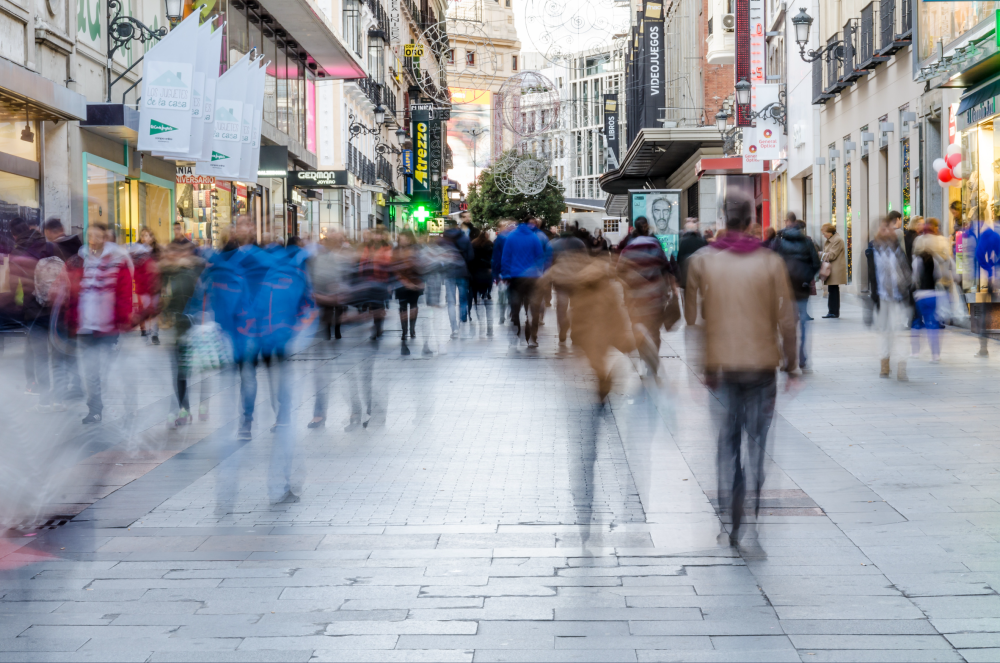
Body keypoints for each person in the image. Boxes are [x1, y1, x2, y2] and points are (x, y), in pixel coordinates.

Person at [683, 193, 798, 547]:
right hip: (762, 365)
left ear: (721, 220)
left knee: (727, 443)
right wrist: (792, 365)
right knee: (758, 441)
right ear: (751, 221)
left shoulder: (701, 261)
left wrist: (698, 367)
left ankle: (732, 518)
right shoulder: (770, 261)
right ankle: (754, 512)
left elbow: (693, 320)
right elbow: (787, 319)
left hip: (722, 366)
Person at [63, 219, 135, 424]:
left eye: (97, 236)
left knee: (108, 370)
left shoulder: (117, 260)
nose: (93, 240)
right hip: (85, 326)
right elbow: (72, 291)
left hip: (108, 327)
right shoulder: (79, 260)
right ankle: (95, 409)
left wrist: (124, 319)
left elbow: (124, 294)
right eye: (90, 236)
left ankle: (127, 403)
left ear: (105, 238)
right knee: (91, 372)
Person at [617, 217, 678, 376]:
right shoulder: (655, 245)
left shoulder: (628, 249)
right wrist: (673, 289)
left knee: (638, 327)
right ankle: (653, 364)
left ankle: (645, 359)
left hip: (635, 298)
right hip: (656, 296)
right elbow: (667, 267)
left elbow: (619, 271)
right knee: (654, 330)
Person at [9, 218, 57, 399]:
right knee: (57, 350)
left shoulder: (17, 252)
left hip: (33, 307)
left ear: (14, 235)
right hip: (54, 304)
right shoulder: (48, 246)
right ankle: (59, 389)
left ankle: (35, 386)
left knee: (34, 350)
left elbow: (15, 286)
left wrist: (16, 305)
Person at [159, 238, 205, 426]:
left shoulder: (187, 273)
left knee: (182, 372)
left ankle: (184, 410)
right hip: (175, 329)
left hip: (187, 328)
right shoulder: (168, 274)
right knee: (180, 372)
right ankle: (183, 408)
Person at [869, 216, 912, 379]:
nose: (886, 230)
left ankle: (902, 366)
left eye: (888, 228)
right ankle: (884, 364)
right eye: (882, 228)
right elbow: (869, 277)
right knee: (884, 332)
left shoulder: (898, 249)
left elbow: (908, 273)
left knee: (900, 332)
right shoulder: (871, 251)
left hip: (899, 297)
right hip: (882, 298)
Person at [911, 218, 953, 362]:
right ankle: (936, 354)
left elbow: (914, 276)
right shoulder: (936, 256)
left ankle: (915, 351)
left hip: (920, 294)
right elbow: (940, 275)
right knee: (933, 323)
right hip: (934, 293)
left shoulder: (917, 258)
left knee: (916, 321)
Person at [501, 217, 545, 348]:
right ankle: (532, 337)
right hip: (532, 278)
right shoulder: (534, 237)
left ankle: (515, 334)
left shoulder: (511, 237)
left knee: (515, 307)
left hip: (515, 278)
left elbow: (506, 257)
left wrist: (505, 274)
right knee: (533, 308)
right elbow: (540, 257)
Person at [549, 228, 587, 344]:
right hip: (576, 281)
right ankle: (576, 332)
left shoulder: (553, 244)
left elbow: (549, 262)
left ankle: (563, 328)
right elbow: (585, 261)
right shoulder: (579, 243)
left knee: (561, 307)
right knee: (577, 307)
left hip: (560, 281)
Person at [440, 219, 474, 338]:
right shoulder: (464, 238)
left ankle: (454, 328)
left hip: (449, 273)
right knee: (463, 298)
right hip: (462, 271)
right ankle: (463, 317)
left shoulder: (443, 240)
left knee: (451, 301)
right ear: (457, 226)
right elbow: (471, 257)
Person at [393, 230, 425, 354]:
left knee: (413, 305)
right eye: (401, 238)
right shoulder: (396, 250)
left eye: (405, 238)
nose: (403, 240)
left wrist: (419, 281)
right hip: (401, 283)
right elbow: (394, 266)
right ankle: (404, 330)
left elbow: (421, 265)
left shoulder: (416, 249)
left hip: (414, 283)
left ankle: (412, 328)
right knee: (402, 307)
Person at [133, 227, 162, 345]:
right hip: (143, 286)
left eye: (147, 235)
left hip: (155, 285)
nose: (145, 238)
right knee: (144, 309)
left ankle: (154, 332)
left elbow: (162, 267)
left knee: (154, 310)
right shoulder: (137, 252)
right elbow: (135, 270)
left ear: (152, 237)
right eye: (143, 235)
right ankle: (145, 331)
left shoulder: (156, 251)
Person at [469, 227, 494, 336]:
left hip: (475, 273)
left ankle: (480, 319)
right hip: (486, 272)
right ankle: (486, 295)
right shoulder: (489, 244)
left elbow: (470, 258)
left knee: (476, 297)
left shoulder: (473, 243)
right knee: (486, 295)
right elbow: (492, 258)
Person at [820, 223, 846, 318]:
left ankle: (834, 312)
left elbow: (832, 255)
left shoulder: (837, 240)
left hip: (835, 269)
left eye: (824, 233)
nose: (824, 235)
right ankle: (832, 311)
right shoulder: (830, 240)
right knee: (832, 290)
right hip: (831, 268)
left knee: (834, 290)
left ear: (830, 232)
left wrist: (820, 254)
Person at [676, 218, 707, 294]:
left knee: (688, 297)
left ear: (685, 231)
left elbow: (678, 259)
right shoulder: (702, 241)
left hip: (685, 275)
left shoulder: (680, 242)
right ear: (696, 230)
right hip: (700, 275)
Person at [492, 220, 514, 324]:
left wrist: (495, 274)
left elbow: (496, 258)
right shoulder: (514, 238)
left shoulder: (500, 239)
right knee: (511, 295)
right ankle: (511, 314)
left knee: (502, 296)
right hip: (514, 271)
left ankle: (502, 316)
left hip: (502, 272)